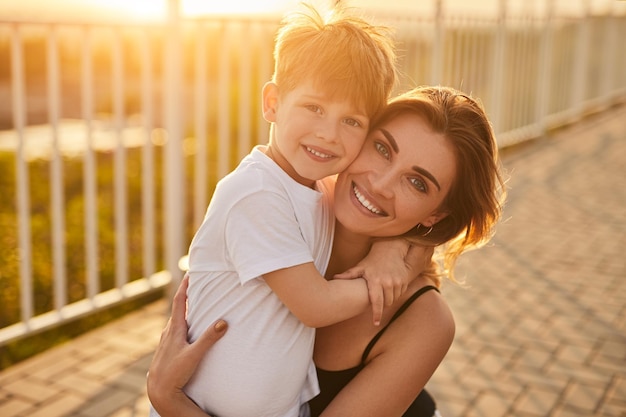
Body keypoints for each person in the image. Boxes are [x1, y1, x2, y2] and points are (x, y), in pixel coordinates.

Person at [147, 85, 507, 417]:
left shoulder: (425, 321)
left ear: (435, 214)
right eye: (382, 148)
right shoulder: (283, 207)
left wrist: (169, 401)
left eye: (417, 183)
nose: (380, 185)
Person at [148, 4, 415, 417]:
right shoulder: (255, 192)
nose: (328, 133)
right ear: (272, 102)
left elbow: (407, 225)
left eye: (352, 121)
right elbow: (316, 305)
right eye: (314, 108)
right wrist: (381, 283)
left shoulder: (322, 192)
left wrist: (390, 251)